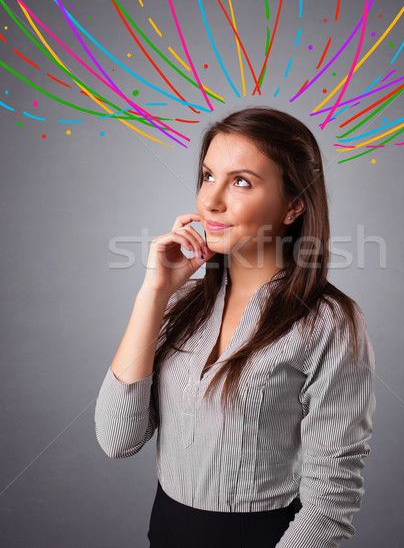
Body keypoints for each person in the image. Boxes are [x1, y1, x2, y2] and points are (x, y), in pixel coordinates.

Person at [94, 106, 376, 548]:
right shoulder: (182, 300)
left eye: (241, 181)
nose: (210, 200)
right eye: (208, 176)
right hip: (165, 530)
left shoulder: (329, 322)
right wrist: (154, 294)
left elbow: (329, 505)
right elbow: (118, 438)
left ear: (294, 206)